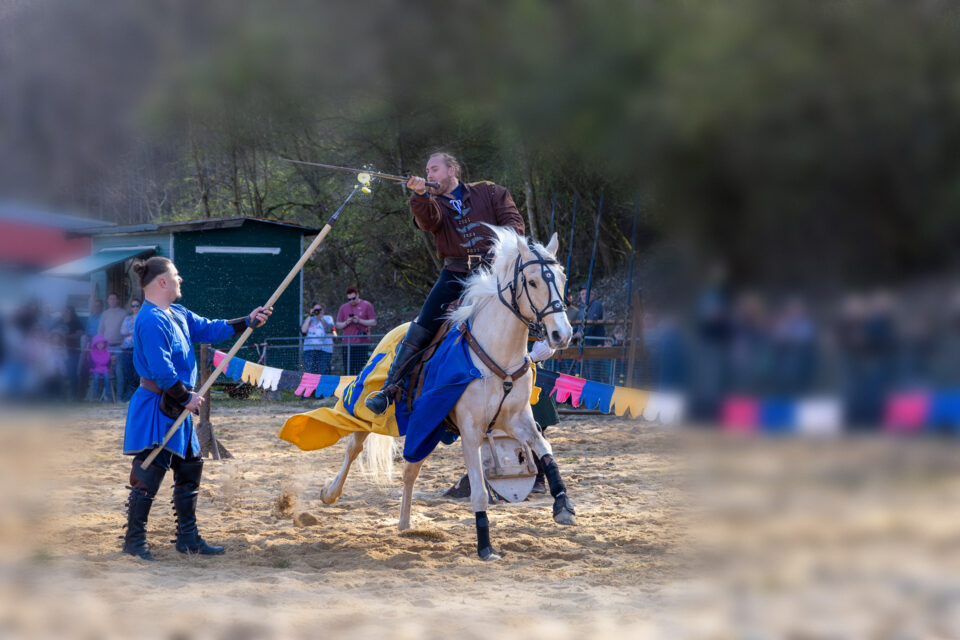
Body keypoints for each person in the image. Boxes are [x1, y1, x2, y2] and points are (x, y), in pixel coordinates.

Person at [121, 256, 271, 561]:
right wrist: (184, 397)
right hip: (159, 406)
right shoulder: (150, 319)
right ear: (162, 282)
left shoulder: (176, 312)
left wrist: (248, 321)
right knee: (150, 470)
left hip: (179, 405)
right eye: (176, 276)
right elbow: (161, 370)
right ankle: (134, 542)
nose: (181, 280)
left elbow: (210, 329)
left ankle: (187, 538)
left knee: (190, 467)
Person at [365, 151, 525, 414]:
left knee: (528, 311)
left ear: (452, 171)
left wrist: (503, 248)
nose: (429, 174)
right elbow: (429, 221)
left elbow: (513, 223)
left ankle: (533, 397)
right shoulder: (431, 202)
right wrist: (419, 195)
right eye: (427, 171)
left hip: (496, 272)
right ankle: (390, 388)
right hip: (456, 273)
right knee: (424, 322)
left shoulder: (490, 191)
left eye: (434, 169)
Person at [336, 286, 376, 375]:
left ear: (358, 295)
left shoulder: (367, 305)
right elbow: (338, 325)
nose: (352, 301)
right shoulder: (343, 308)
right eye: (349, 299)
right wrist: (347, 322)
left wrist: (359, 321)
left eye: (353, 298)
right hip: (347, 344)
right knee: (348, 370)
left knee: (360, 370)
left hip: (362, 343)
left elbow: (373, 322)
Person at [99, 292, 128, 401]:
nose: (112, 301)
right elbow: (100, 330)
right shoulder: (105, 314)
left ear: (117, 300)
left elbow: (126, 330)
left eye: (114, 299)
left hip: (118, 347)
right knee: (106, 372)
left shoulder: (123, 313)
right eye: (110, 299)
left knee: (119, 372)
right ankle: (108, 396)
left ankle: (119, 397)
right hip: (106, 348)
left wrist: (122, 345)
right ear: (108, 301)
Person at [55, 306, 85, 400]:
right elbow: (52, 333)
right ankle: (60, 396)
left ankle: (74, 395)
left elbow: (80, 334)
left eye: (67, 311)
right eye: (63, 311)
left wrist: (65, 336)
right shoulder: (58, 322)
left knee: (72, 374)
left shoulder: (76, 322)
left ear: (71, 312)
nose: (64, 313)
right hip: (59, 353)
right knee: (58, 375)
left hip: (73, 353)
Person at [301, 301, 335, 374]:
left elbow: (329, 330)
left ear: (323, 310)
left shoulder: (328, 318)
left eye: (319, 309)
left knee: (323, 372)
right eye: (315, 310)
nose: (317, 311)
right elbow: (303, 331)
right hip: (310, 350)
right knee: (310, 372)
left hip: (324, 350)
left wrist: (321, 318)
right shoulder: (309, 319)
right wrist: (310, 316)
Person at [119, 299, 141, 400]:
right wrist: (134, 332)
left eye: (137, 305)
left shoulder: (143, 318)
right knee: (128, 372)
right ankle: (129, 395)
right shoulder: (127, 318)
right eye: (133, 306)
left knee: (138, 373)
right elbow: (122, 331)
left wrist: (131, 332)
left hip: (139, 349)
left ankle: (137, 395)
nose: (135, 308)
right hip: (127, 348)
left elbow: (142, 332)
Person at [87, 334, 112, 402]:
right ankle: (95, 396)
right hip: (95, 369)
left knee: (107, 378)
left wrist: (107, 368)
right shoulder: (92, 353)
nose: (100, 345)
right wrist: (94, 368)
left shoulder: (107, 353)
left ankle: (107, 395)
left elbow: (109, 362)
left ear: (104, 344)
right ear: (95, 344)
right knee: (96, 378)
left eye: (102, 344)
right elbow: (90, 362)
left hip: (104, 369)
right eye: (98, 344)